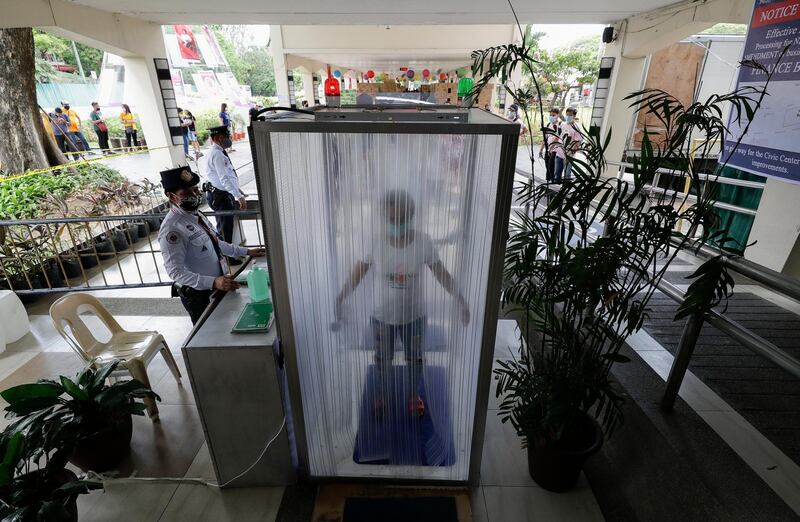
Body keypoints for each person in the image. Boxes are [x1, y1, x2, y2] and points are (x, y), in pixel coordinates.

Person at [334, 190, 470, 418]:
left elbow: (441, 274)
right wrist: (340, 297)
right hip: (382, 316)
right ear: (384, 217)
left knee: (415, 359)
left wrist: (461, 299)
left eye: (402, 219)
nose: (397, 224)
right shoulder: (375, 242)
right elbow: (357, 273)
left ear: (411, 217)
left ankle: (412, 395)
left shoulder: (423, 242)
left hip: (414, 316)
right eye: (392, 219)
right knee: (382, 359)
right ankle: (383, 396)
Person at [158, 166, 265, 324]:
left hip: (218, 286)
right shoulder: (172, 229)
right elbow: (175, 272)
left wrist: (247, 251)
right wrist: (213, 282)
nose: (194, 196)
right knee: (208, 337)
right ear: (171, 196)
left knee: (226, 326)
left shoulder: (196, 215)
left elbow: (217, 244)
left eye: (195, 190)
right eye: (186, 194)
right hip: (198, 295)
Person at [205, 125, 245, 264]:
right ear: (218, 138)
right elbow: (223, 178)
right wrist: (238, 196)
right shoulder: (216, 154)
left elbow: (227, 175)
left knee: (225, 227)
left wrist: (237, 190)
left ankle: (227, 256)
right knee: (224, 229)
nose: (228, 139)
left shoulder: (218, 152)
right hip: (220, 196)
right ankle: (227, 258)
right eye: (226, 136)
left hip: (221, 194)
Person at [553, 107, 583, 183]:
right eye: (567, 115)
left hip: (569, 156)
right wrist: (552, 147)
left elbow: (578, 142)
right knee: (557, 174)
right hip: (559, 153)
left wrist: (572, 152)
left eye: (570, 115)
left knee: (567, 176)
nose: (568, 117)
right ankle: (556, 191)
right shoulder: (562, 124)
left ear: (574, 116)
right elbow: (557, 136)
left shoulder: (576, 127)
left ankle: (565, 191)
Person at [539, 108, 561, 182]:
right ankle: (547, 183)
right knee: (547, 167)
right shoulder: (549, 124)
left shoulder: (560, 125)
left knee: (551, 166)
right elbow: (545, 138)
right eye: (550, 115)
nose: (551, 116)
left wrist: (551, 147)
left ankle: (552, 183)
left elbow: (557, 137)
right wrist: (541, 149)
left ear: (558, 115)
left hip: (555, 150)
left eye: (553, 115)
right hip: (548, 149)